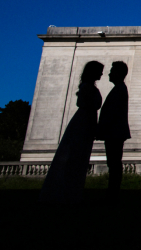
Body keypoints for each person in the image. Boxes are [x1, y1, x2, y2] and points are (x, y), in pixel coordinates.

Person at [40, 61, 104, 204]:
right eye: (100, 71)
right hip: (83, 123)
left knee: (77, 158)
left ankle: (70, 191)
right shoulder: (87, 88)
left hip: (85, 122)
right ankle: (67, 192)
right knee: (75, 157)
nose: (102, 74)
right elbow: (87, 106)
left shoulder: (87, 87)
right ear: (92, 72)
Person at [96, 61, 130, 200]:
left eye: (112, 71)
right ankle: (113, 191)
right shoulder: (119, 89)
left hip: (114, 133)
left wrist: (101, 129)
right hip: (115, 132)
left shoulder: (120, 89)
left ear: (119, 73)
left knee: (114, 163)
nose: (109, 74)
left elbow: (112, 113)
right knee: (113, 163)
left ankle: (113, 192)